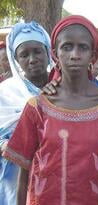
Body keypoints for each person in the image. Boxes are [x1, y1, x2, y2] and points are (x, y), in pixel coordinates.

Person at [3, 15, 98, 205]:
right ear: (54, 53)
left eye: (83, 47)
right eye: (67, 46)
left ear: (93, 55)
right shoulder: (38, 107)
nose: (74, 54)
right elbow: (23, 172)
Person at [0, 21, 52, 205]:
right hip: (13, 177)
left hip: (54, 172)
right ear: (16, 60)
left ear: (48, 52)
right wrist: (5, 145)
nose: (32, 59)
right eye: (24, 54)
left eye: (38, 51)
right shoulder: (5, 92)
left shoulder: (65, 89)